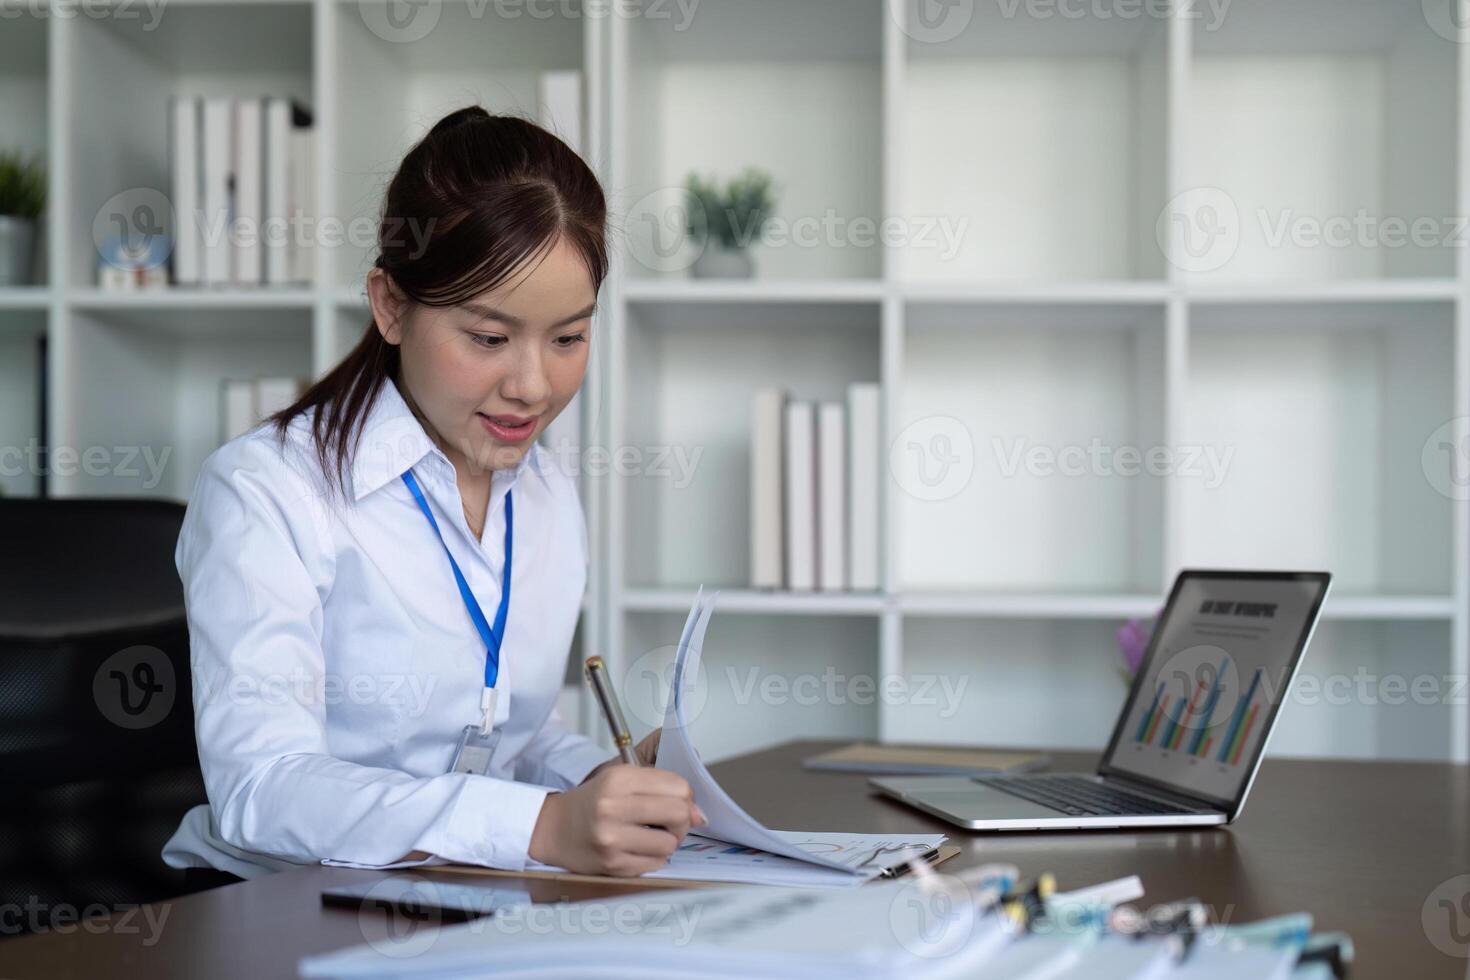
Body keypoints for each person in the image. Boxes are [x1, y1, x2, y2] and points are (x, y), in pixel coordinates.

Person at [162, 106, 705, 882]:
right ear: (390, 306)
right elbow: (262, 786)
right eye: (488, 338)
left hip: (461, 896)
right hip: (277, 906)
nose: (532, 387)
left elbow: (513, 730)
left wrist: (598, 790)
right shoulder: (267, 490)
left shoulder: (545, 491)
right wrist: (540, 827)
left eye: (569, 338)